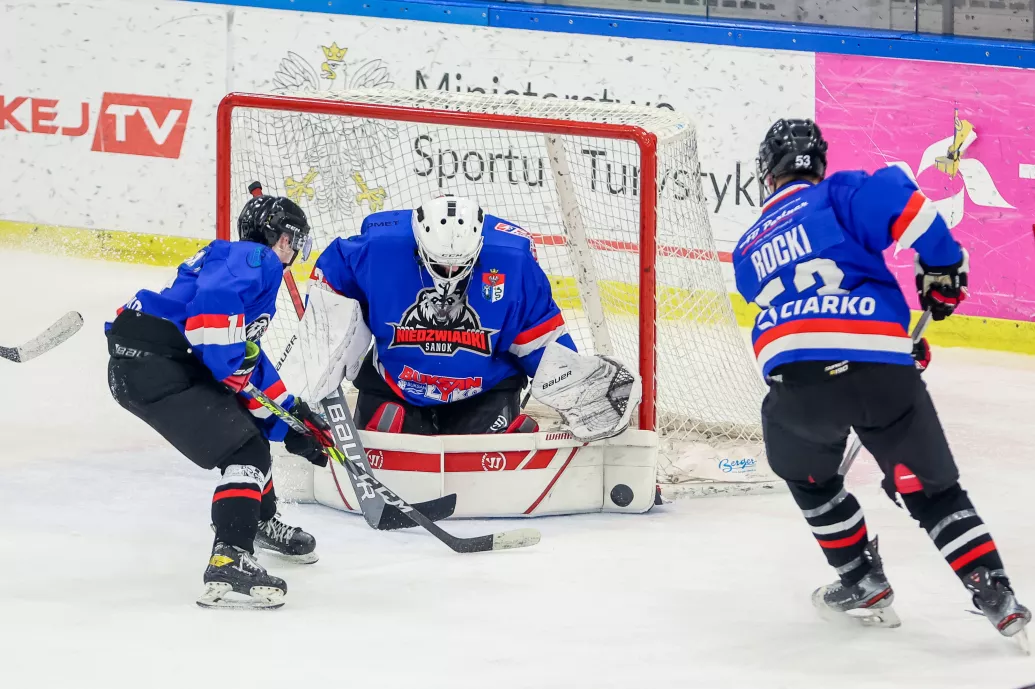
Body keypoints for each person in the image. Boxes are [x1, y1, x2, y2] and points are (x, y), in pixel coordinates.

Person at [732, 119, 1030, 644]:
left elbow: (806, 311)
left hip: (798, 381)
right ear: (818, 165)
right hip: (881, 370)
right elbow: (910, 209)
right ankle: (994, 591)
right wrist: (941, 270)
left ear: (768, 173)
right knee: (932, 491)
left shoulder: (747, 246)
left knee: (811, 480)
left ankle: (861, 580)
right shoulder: (839, 193)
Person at [106, 182, 334, 610]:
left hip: (152, 362)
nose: (294, 252)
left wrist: (290, 419)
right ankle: (230, 558)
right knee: (245, 450)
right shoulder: (255, 258)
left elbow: (247, 362)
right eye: (295, 241)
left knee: (250, 433)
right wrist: (230, 366)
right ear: (282, 238)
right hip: (157, 362)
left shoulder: (243, 269)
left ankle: (258, 520)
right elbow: (219, 328)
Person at [301, 194, 638, 442]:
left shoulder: (512, 260)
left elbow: (539, 336)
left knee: (482, 455)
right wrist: (324, 347)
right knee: (390, 436)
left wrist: (575, 386)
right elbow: (331, 278)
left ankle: (499, 433)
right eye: (439, 263)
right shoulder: (380, 247)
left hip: (484, 391)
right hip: (395, 386)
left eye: (459, 265)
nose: (449, 273)